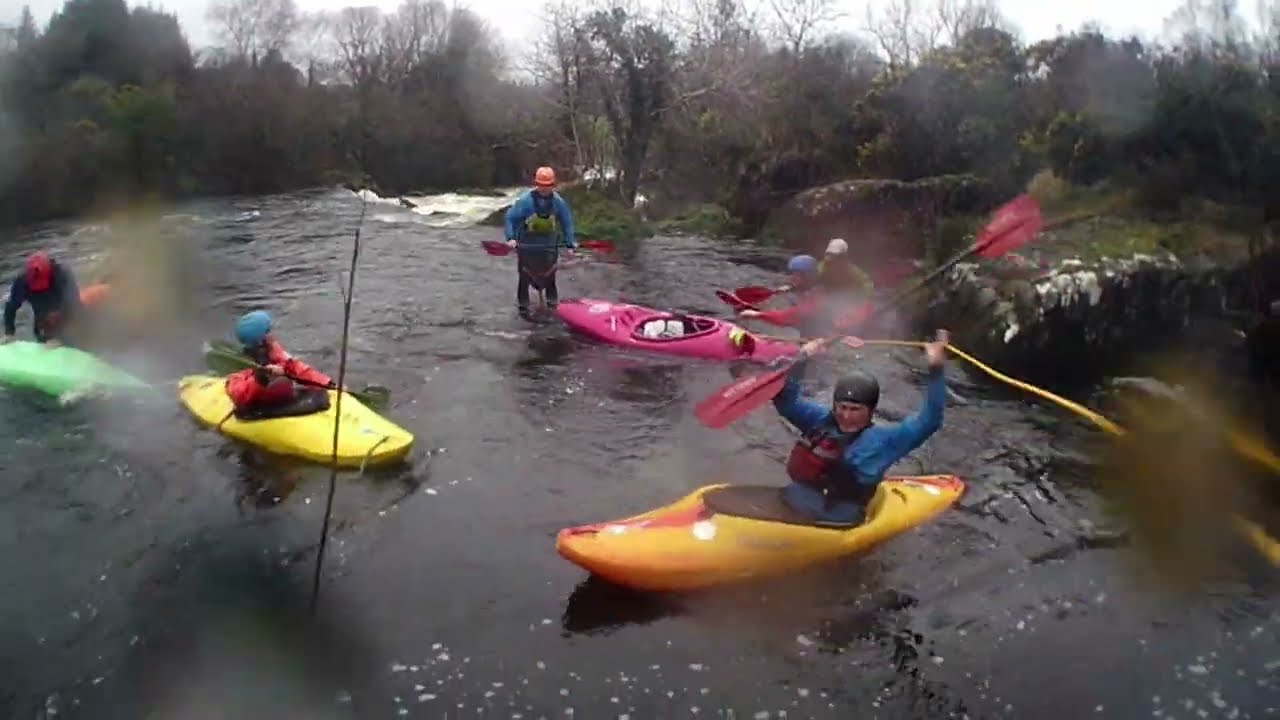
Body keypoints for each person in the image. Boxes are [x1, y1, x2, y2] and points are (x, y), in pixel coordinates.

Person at [771, 329, 949, 524]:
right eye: (842, 407)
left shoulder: (885, 441)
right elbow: (785, 402)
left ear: (871, 410)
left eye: (855, 409)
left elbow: (930, 421)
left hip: (836, 521)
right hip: (795, 499)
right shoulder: (819, 419)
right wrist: (802, 358)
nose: (846, 415)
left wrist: (936, 369)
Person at [224, 310, 337, 414]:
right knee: (280, 382)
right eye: (268, 330)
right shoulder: (241, 363)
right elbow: (238, 394)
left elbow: (296, 369)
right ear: (260, 339)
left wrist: (327, 383)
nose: (272, 333)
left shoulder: (273, 350)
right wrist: (261, 379)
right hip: (260, 407)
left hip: (283, 399)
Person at [504, 166, 577, 317]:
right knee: (524, 278)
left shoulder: (558, 203)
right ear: (536, 184)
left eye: (548, 185)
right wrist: (510, 237)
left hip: (549, 247)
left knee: (550, 278)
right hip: (527, 247)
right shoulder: (525, 201)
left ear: (553, 185)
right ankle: (523, 308)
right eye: (541, 185)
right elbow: (510, 218)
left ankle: (553, 307)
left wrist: (570, 243)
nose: (544, 189)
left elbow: (567, 222)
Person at [2, 251, 83, 347]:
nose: (39, 288)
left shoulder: (62, 276)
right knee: (42, 333)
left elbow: (73, 304)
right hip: (41, 314)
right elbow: (11, 307)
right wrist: (9, 332)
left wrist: (59, 336)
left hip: (61, 310)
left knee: (68, 336)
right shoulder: (21, 281)